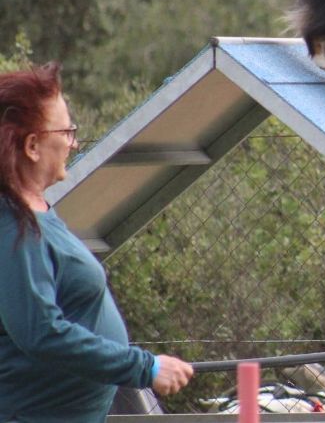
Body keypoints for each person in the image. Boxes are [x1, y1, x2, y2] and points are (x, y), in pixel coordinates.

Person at [0, 62, 193, 423]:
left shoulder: (36, 211)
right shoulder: (12, 229)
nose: (73, 142)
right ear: (32, 146)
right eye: (66, 131)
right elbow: (40, 332)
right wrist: (144, 368)